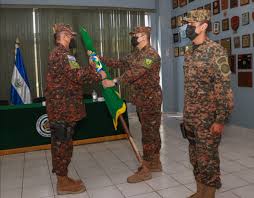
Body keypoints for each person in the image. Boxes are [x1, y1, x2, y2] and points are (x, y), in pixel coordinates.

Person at [45, 23, 106, 195]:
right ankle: (62, 182)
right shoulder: (62, 54)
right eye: (70, 36)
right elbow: (77, 75)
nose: (72, 39)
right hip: (62, 109)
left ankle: (63, 176)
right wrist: (96, 73)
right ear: (64, 36)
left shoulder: (60, 54)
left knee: (64, 143)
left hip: (64, 107)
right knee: (62, 144)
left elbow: (73, 76)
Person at [100, 26, 162, 183]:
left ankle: (146, 168)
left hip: (150, 99)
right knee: (150, 131)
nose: (133, 37)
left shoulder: (151, 54)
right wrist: (100, 59)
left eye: (136, 35)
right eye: (133, 35)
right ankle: (155, 162)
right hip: (142, 98)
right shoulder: (136, 54)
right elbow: (120, 63)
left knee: (149, 133)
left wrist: (114, 81)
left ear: (144, 36)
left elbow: (136, 72)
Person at [182, 10, 234, 198]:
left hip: (208, 118)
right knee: (195, 157)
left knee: (208, 159)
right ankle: (200, 191)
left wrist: (220, 119)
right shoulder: (189, 51)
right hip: (191, 116)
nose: (187, 28)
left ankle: (208, 194)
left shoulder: (216, 51)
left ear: (203, 26)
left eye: (191, 25)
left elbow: (224, 88)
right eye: (186, 25)